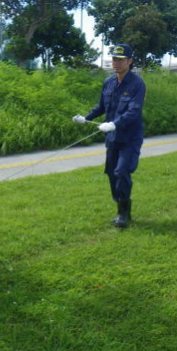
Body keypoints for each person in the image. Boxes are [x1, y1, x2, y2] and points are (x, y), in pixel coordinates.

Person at [73, 44, 146, 228]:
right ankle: (121, 208)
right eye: (114, 59)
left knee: (121, 171)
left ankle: (124, 214)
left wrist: (115, 124)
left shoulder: (137, 84)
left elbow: (134, 111)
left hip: (129, 137)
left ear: (130, 61)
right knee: (112, 174)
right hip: (112, 138)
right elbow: (101, 107)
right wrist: (86, 118)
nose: (117, 63)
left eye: (121, 59)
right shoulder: (109, 83)